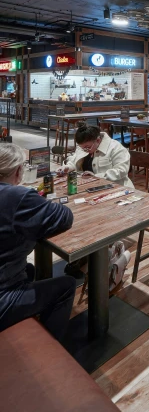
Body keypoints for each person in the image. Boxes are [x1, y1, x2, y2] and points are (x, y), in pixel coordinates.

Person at [0, 144, 75, 341]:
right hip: (2, 296)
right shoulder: (16, 196)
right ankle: (50, 347)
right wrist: (32, 200)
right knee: (67, 286)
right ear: (18, 171)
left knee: (31, 270)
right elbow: (65, 217)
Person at [64, 124, 133, 189]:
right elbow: (75, 159)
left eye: (87, 147)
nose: (85, 150)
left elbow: (121, 171)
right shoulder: (84, 146)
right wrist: (68, 167)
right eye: (82, 148)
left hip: (115, 188)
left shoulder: (116, 148)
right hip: (90, 186)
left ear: (98, 140)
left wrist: (96, 176)